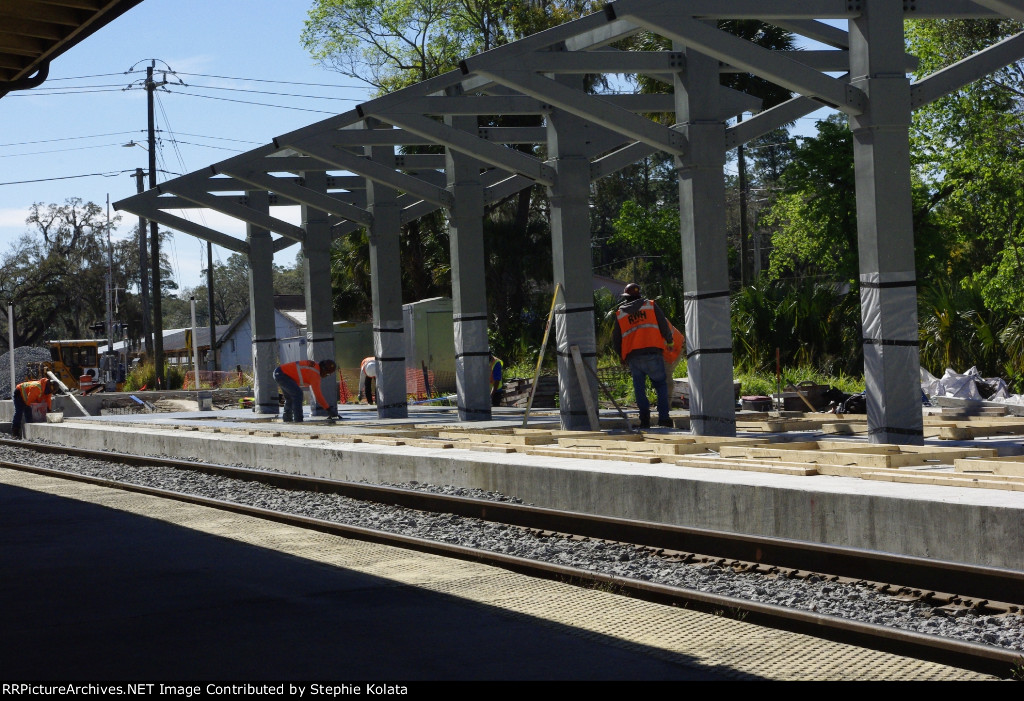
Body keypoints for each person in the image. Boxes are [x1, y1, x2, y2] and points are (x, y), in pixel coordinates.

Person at [612, 283, 674, 429]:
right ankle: (664, 418)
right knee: (660, 385)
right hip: (653, 353)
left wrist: (622, 356)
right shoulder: (650, 305)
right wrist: (670, 341)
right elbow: (663, 324)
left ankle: (644, 419)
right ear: (639, 295)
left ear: (626, 297)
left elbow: (616, 339)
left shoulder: (620, 314)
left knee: (639, 388)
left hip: (634, 357)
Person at [273, 358, 338, 423]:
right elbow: (318, 396)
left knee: (290, 397)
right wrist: (328, 409)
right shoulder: (315, 374)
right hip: (282, 374)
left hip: (279, 372)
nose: (326, 376)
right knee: (298, 394)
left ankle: (287, 419)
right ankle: (298, 420)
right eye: (327, 374)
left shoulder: (315, 367)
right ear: (324, 370)